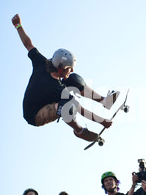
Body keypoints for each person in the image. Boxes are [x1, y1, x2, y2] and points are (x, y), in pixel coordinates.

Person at [12, 14, 120, 142]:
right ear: (61, 68)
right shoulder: (58, 89)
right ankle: (79, 131)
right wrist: (102, 121)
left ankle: (104, 101)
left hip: (47, 99)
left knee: (73, 80)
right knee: (68, 105)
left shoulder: (42, 62)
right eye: (69, 68)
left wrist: (18, 25)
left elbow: (28, 44)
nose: (72, 70)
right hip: (34, 114)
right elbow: (81, 109)